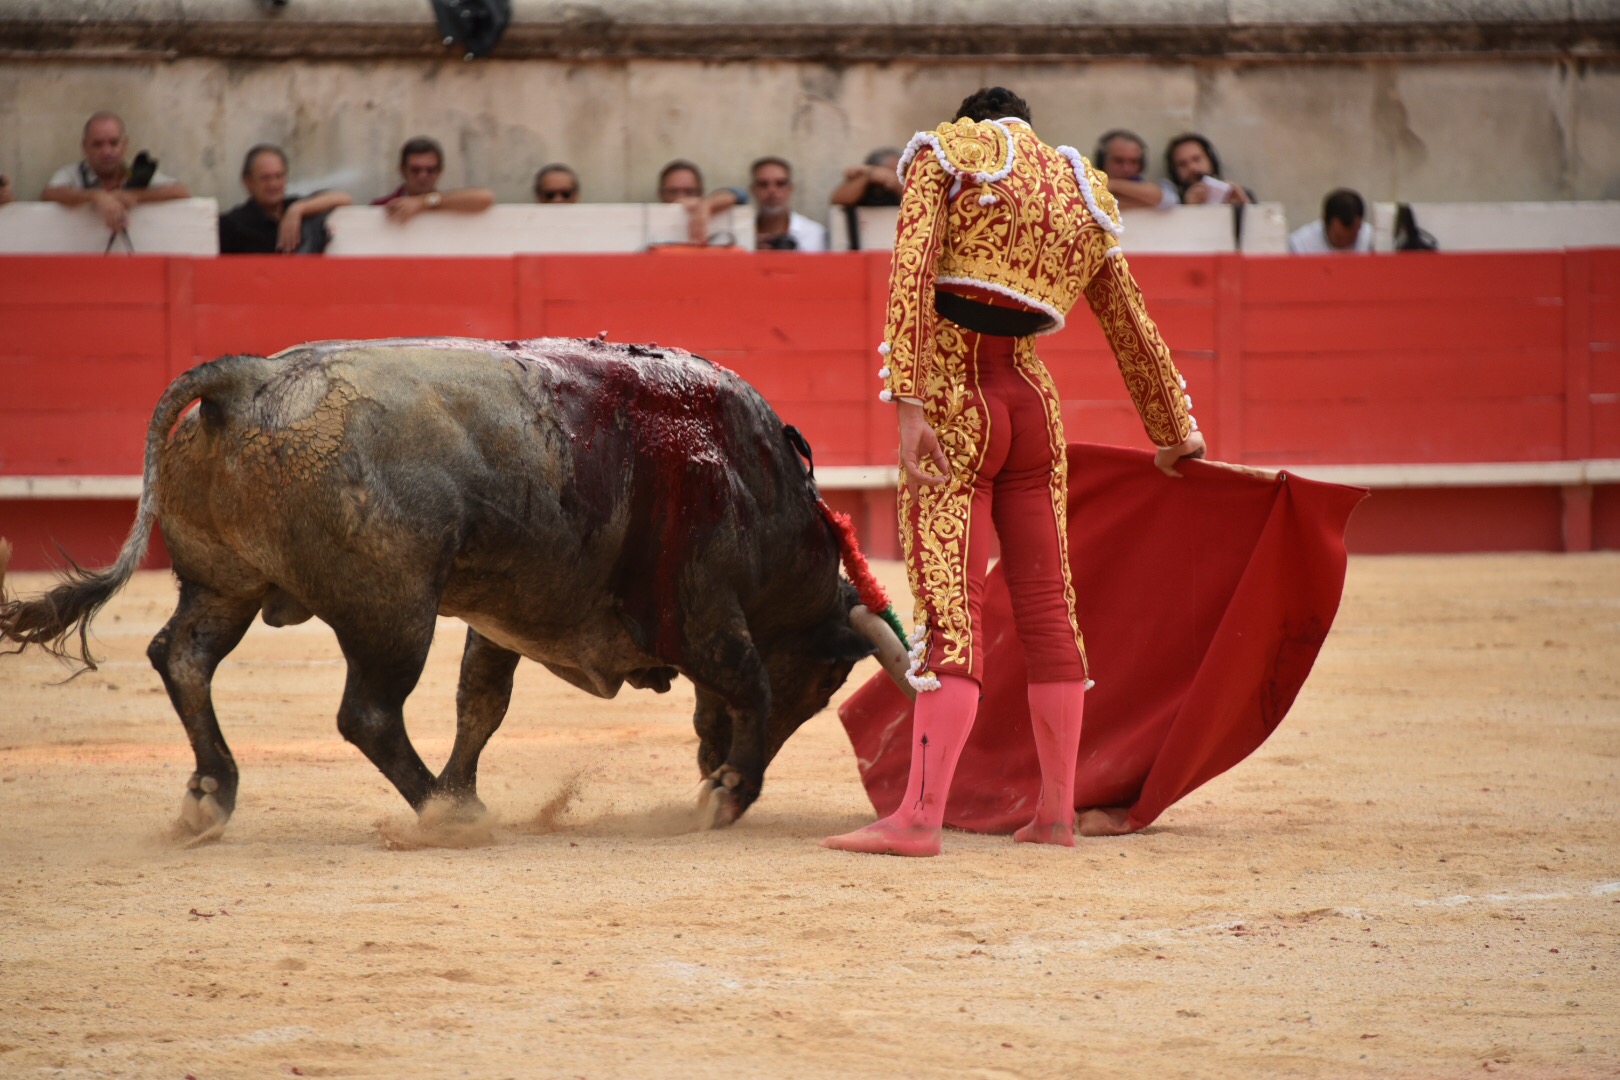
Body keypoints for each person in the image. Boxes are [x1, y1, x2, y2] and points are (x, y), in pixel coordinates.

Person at [822, 87, 1204, 858]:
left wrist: (910, 401)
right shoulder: (1081, 191)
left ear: (975, 116)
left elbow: (912, 272)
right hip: (1034, 404)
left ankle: (919, 819)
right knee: (1047, 606)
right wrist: (1174, 430)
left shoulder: (947, 154)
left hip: (958, 400)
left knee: (952, 609)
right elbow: (1128, 318)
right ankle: (1056, 816)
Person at [41, 112, 191, 233]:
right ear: (85, 147)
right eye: (98, 144)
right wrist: (96, 196)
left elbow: (180, 191)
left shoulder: (136, 174)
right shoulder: (74, 173)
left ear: (124, 145)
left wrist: (134, 196)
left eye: (113, 143)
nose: (106, 152)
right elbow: (49, 193)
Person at [218, 144, 352, 255]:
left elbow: (344, 198)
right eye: (265, 178)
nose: (274, 184)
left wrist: (297, 210)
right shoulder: (233, 224)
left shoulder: (297, 206)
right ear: (248, 181)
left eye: (279, 176)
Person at [371, 136, 494, 220]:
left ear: (440, 171)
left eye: (430, 170)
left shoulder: (451, 203)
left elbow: (485, 197)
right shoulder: (381, 206)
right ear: (402, 170)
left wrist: (423, 203)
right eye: (415, 170)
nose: (423, 175)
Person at [657, 158, 747, 244]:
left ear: (700, 193)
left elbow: (740, 194)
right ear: (661, 194)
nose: (681, 198)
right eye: (672, 192)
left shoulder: (707, 209)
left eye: (689, 192)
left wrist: (705, 205)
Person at [830, 147, 903, 251]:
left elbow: (917, 202)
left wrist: (897, 183)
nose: (891, 176)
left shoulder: (905, 189)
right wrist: (868, 175)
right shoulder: (864, 184)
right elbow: (838, 200)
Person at [750, 156, 826, 252]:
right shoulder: (740, 235)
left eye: (780, 183)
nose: (772, 190)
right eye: (763, 184)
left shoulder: (814, 233)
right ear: (753, 190)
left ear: (790, 188)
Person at [1092, 129, 1176, 210]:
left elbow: (1167, 199)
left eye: (1134, 162)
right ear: (1102, 161)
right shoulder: (1086, 188)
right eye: (1118, 161)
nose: (1126, 169)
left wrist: (1113, 184)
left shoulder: (1153, 186)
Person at [1163, 133, 1251, 206]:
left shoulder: (1237, 194)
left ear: (1211, 160)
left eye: (1197, 159)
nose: (1192, 168)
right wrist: (1188, 208)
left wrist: (1243, 205)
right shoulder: (1173, 204)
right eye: (1182, 164)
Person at [1288, 188, 1374, 254]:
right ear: (1324, 222)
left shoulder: (1372, 241)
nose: (1345, 242)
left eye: (1353, 236)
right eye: (1339, 238)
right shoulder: (1300, 246)